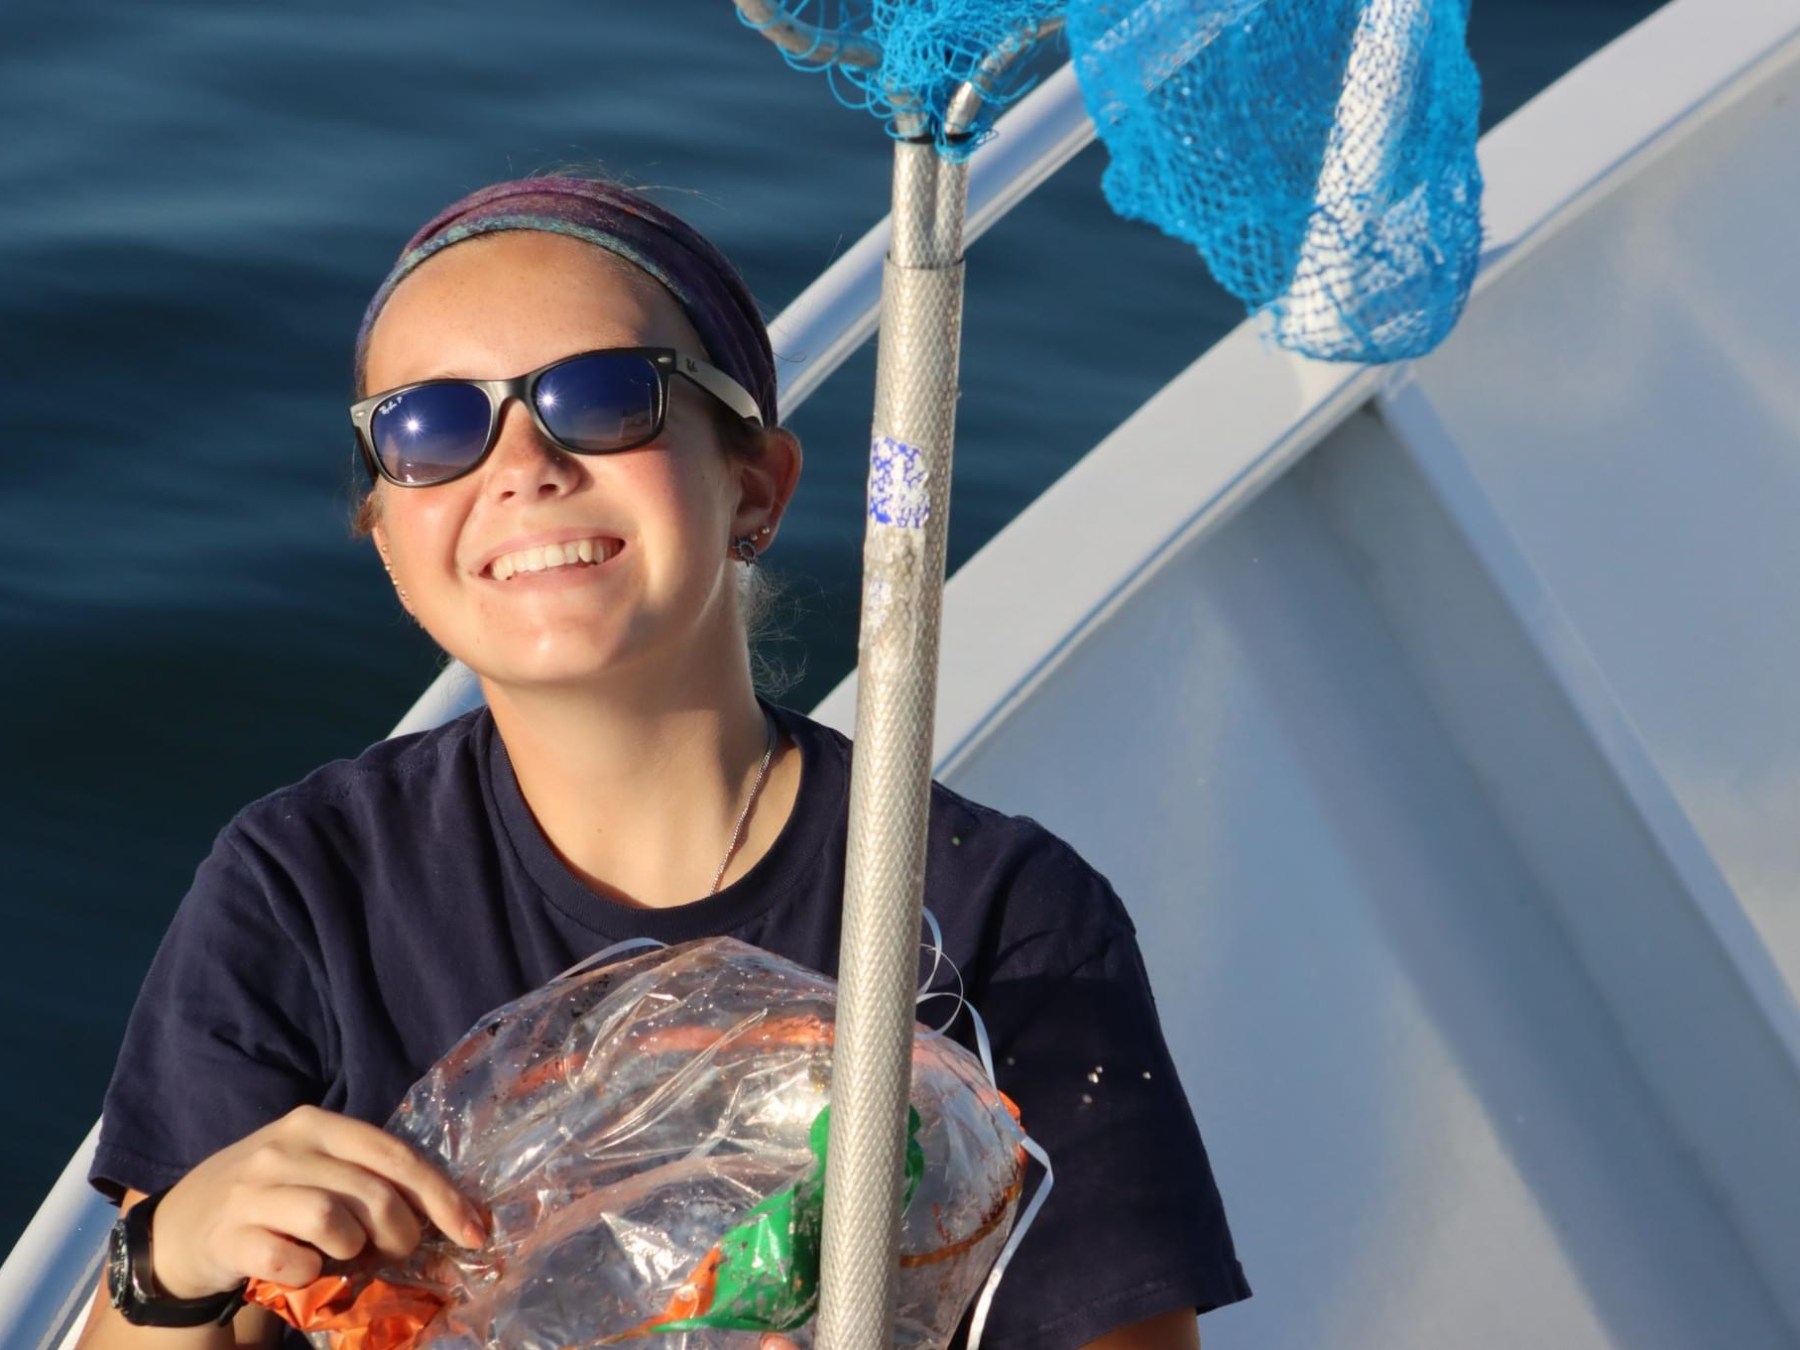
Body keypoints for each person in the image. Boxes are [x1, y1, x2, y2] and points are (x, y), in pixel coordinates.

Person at [77, 177, 1249, 1350]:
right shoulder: (301, 887)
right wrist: (169, 1260)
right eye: (431, 426)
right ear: (387, 531)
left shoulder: (995, 914)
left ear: (754, 486)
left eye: (602, 400)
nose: (522, 461)